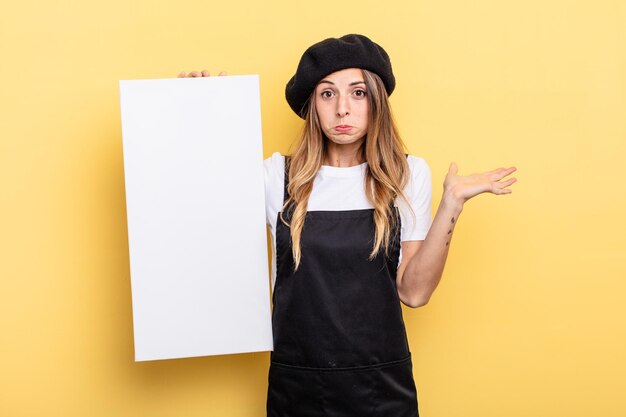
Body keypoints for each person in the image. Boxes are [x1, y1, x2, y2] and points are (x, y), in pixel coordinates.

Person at [179, 34, 517, 417]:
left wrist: (451, 204)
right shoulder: (278, 176)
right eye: (328, 94)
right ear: (312, 107)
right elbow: (197, 207)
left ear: (376, 102)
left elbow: (415, 292)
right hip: (298, 386)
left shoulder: (407, 175)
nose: (343, 109)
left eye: (358, 93)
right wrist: (196, 117)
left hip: (382, 388)